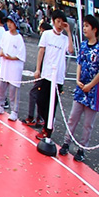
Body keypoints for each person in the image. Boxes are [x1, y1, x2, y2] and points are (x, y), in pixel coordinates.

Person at [58, 15, 99, 162]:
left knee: (87, 124)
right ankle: (67, 143)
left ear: (94, 29)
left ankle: (82, 148)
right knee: (73, 117)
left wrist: (90, 85)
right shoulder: (84, 46)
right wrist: (78, 80)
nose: (84, 28)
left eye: (87, 26)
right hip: (80, 89)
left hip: (92, 92)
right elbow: (79, 63)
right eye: (84, 26)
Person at [34, 11, 74, 140]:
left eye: (62, 22)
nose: (60, 25)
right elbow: (41, 51)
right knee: (40, 101)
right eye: (57, 21)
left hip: (58, 78)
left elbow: (71, 50)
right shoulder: (46, 34)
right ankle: (47, 122)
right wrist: (38, 69)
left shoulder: (64, 39)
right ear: (53, 21)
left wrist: (69, 33)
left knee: (53, 104)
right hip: (46, 74)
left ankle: (48, 129)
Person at [0, 13, 26, 121]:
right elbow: (1, 46)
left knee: (13, 90)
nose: (9, 25)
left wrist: (12, 57)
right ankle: (0, 105)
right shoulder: (5, 34)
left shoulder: (19, 38)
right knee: (2, 86)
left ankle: (14, 111)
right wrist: (2, 53)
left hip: (14, 67)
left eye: (12, 23)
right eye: (8, 22)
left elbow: (21, 55)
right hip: (5, 65)